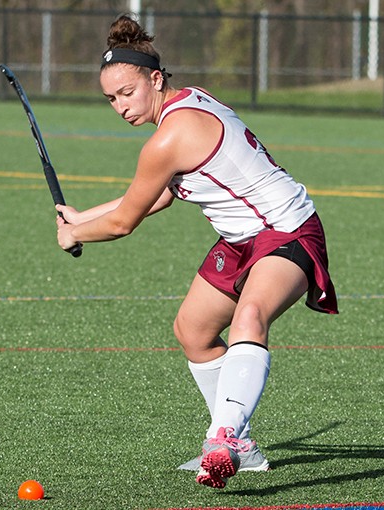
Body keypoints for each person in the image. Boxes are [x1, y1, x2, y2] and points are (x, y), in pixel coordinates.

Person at [54, 15, 338, 489]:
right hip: (240, 239)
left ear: (155, 79)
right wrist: (80, 218)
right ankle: (241, 448)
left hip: (286, 231)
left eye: (128, 92)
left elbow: (125, 222)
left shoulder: (168, 138)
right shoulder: (190, 102)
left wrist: (77, 234)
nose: (121, 106)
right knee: (194, 331)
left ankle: (223, 437)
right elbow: (160, 195)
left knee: (250, 316)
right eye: (111, 98)